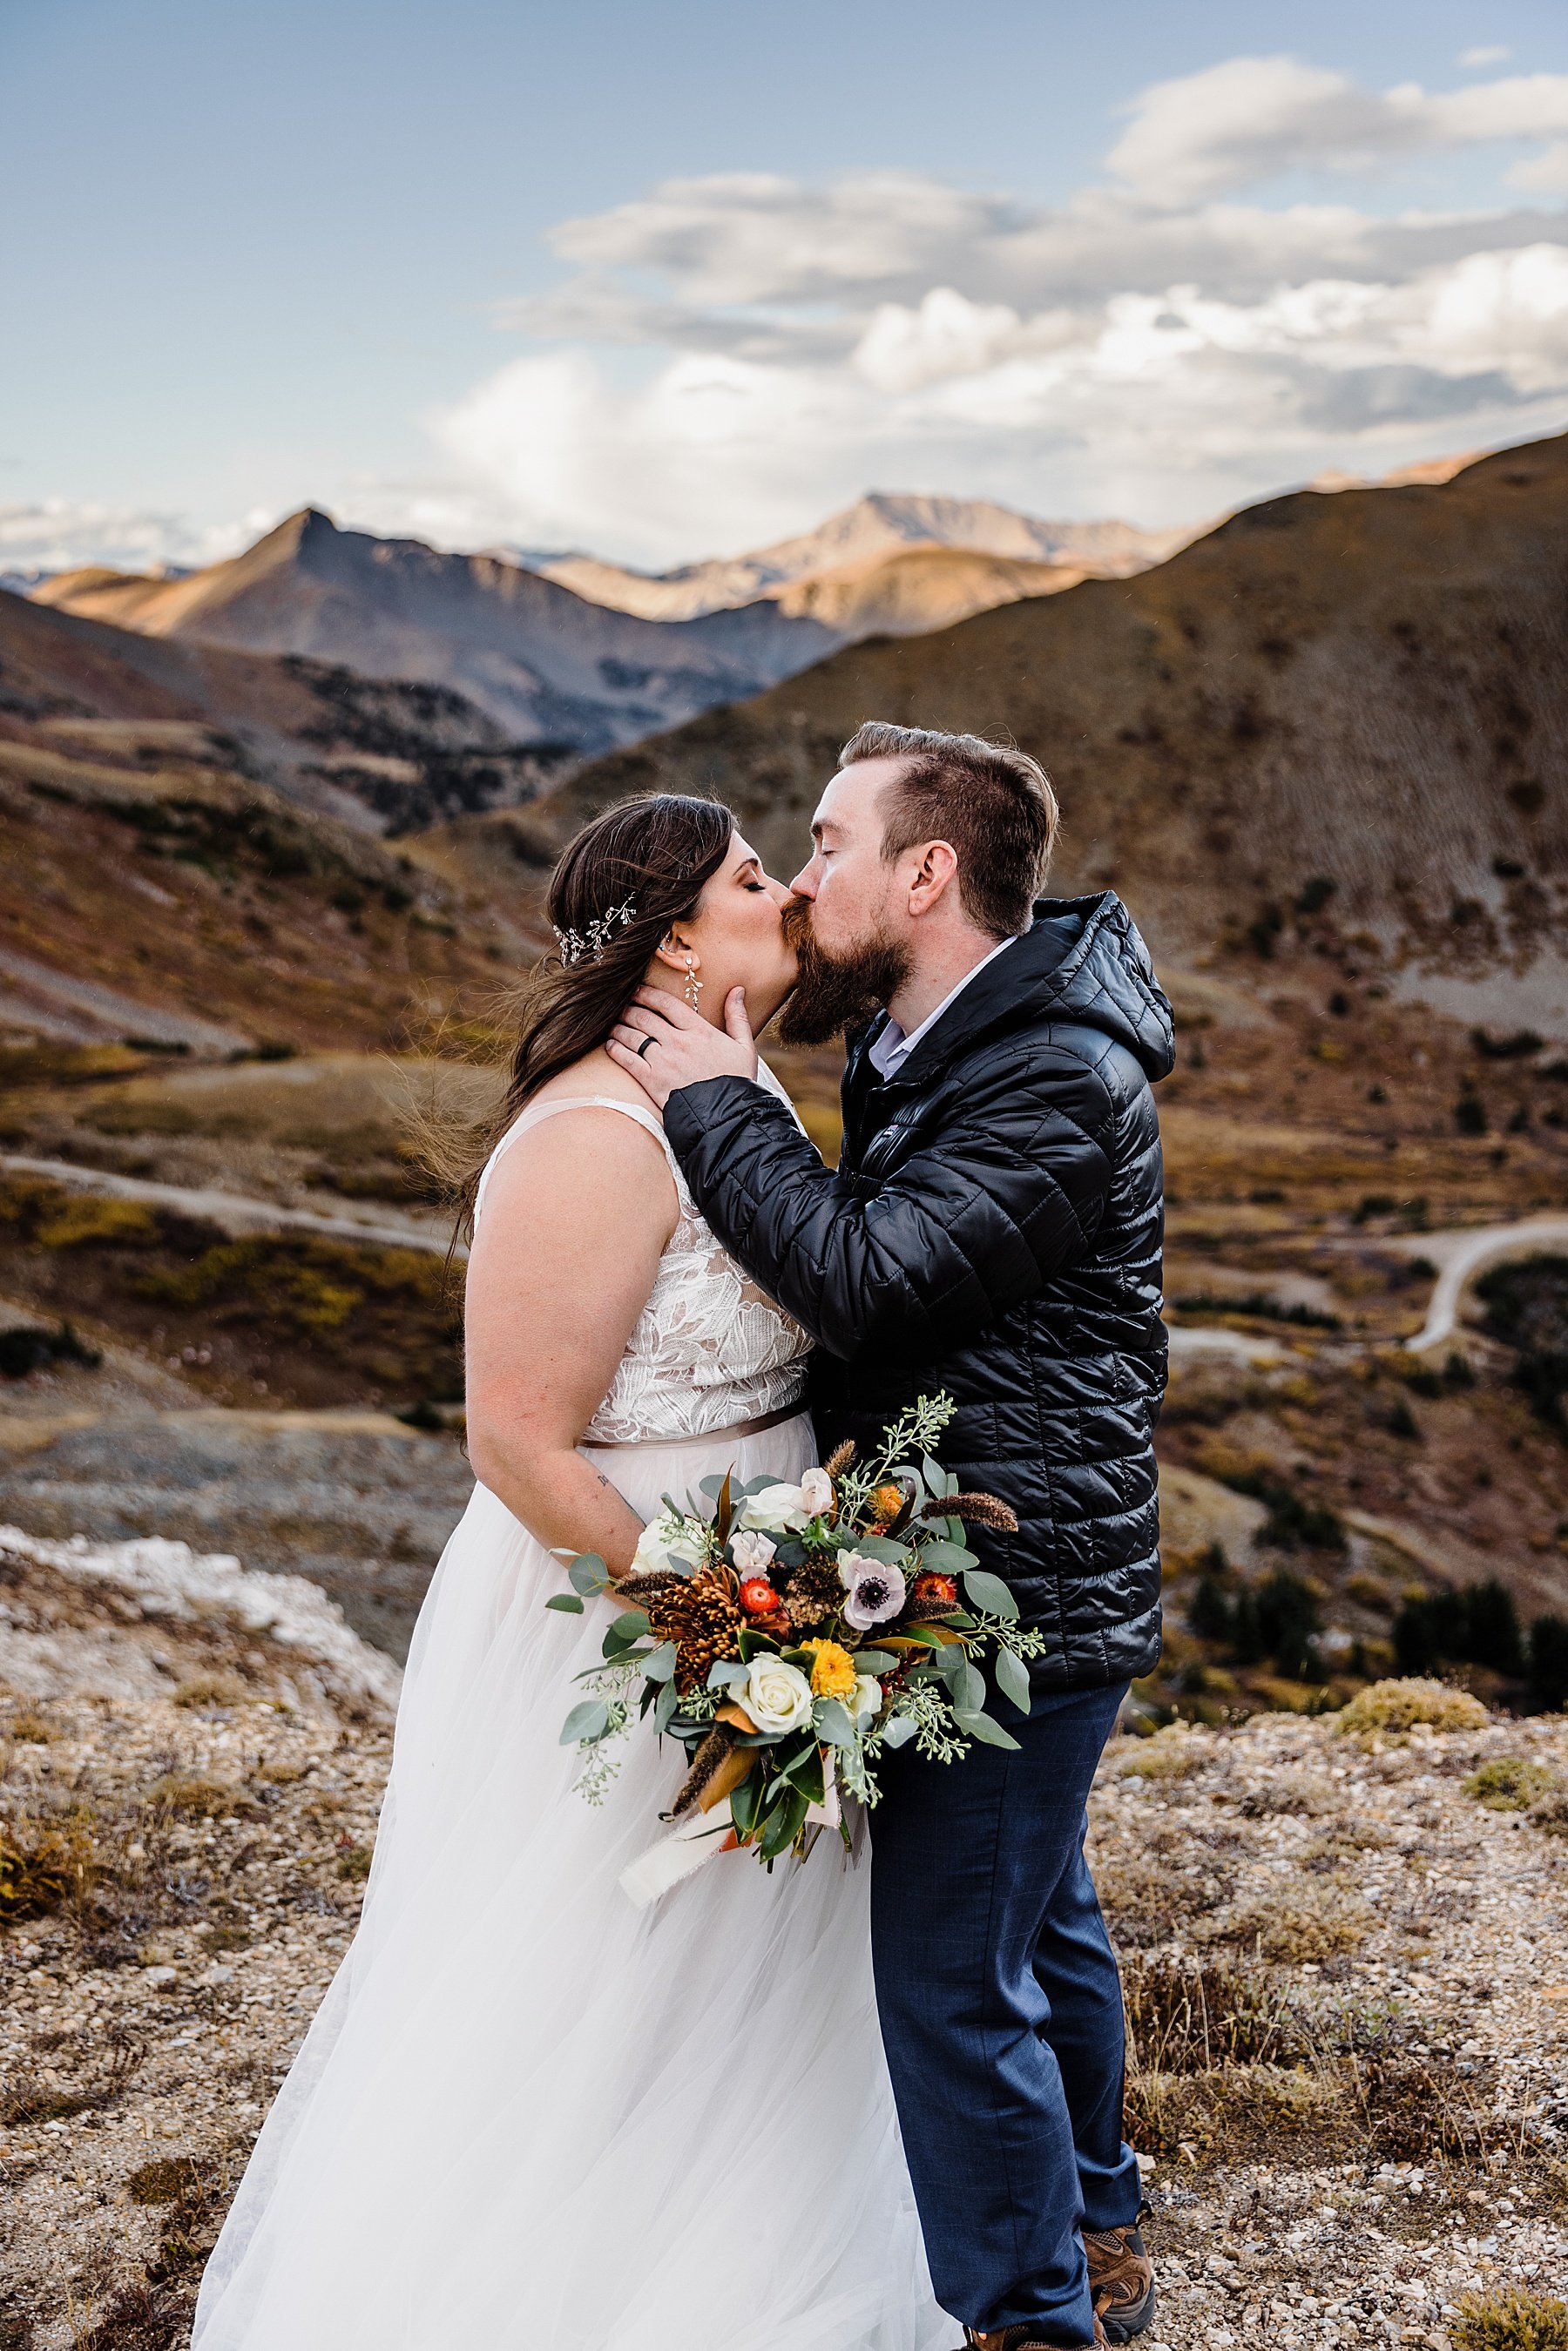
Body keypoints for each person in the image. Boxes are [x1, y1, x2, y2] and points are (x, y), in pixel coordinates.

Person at [193, 794, 950, 2351]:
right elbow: (520, 1445)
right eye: (759, 878)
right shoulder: (594, 1131)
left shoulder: (728, 1088)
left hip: (776, 1566)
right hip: (624, 1597)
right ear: (676, 932)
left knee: (750, 1956)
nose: (795, 896)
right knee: (604, 1952)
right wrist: (728, 1624)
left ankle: (736, 2248)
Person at [610, 723, 1176, 2351]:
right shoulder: (921, 1040)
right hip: (969, 1572)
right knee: (1036, 1915)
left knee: (948, 1982)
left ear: (927, 872)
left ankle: (1030, 2322)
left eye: (831, 843)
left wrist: (724, 1104)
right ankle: (1098, 2224)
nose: (801, 880)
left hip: (1022, 1600)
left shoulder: (1059, 1073)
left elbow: (865, 1276)